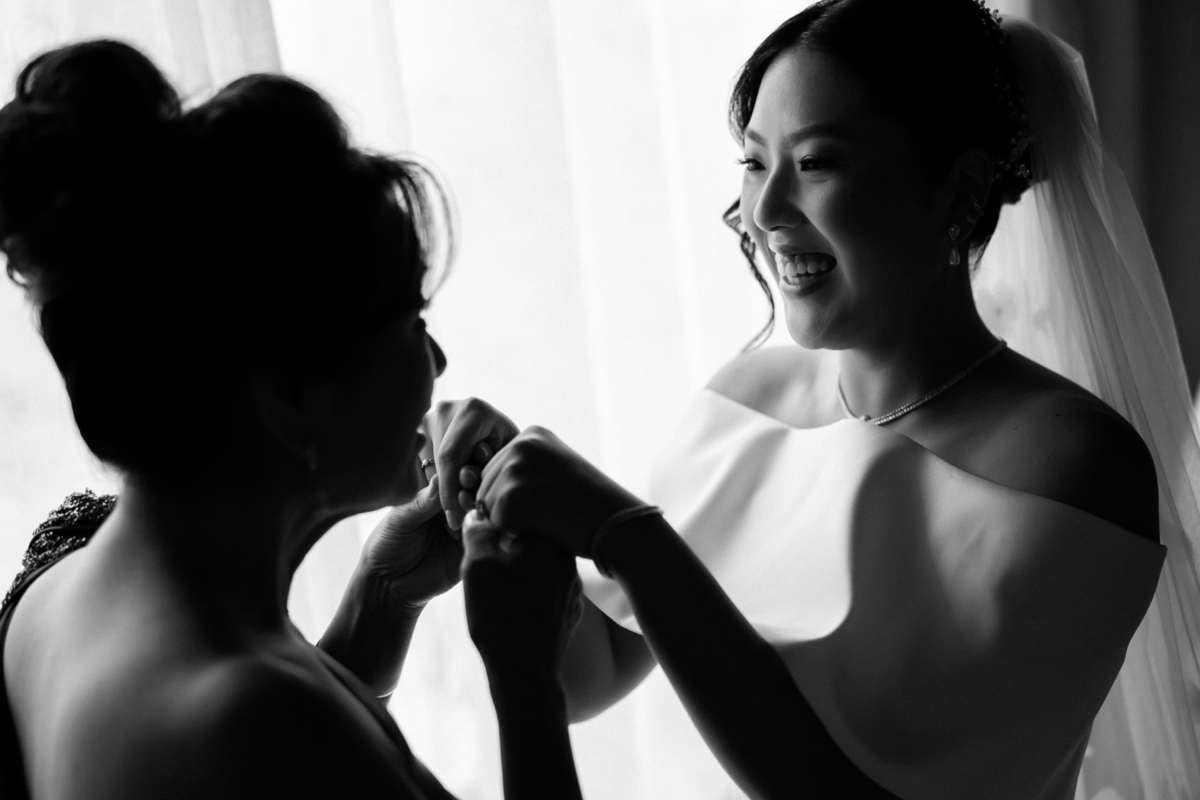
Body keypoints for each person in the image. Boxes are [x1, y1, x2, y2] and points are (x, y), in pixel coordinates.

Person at [423, 1, 1200, 797]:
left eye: (817, 162)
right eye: (755, 163)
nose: (763, 213)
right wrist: (502, 507)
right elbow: (588, 674)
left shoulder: (1073, 464)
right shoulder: (744, 404)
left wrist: (630, 538)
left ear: (960, 191)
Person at [0, 40, 586, 800]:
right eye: (411, 322)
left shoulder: (74, 572)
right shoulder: (251, 721)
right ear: (289, 393)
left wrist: (385, 597)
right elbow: (284, 751)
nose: (438, 362)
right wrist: (527, 678)